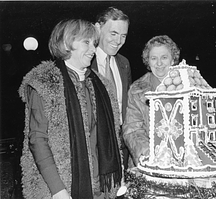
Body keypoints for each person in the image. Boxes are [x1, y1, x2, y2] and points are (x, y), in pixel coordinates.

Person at [18, 19, 123, 199]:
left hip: (100, 187)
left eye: (94, 43)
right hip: (61, 187)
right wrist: (58, 190)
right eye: (86, 42)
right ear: (67, 43)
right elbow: (37, 139)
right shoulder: (45, 83)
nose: (93, 49)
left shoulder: (101, 85)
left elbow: (111, 136)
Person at [122, 35, 180, 168]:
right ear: (148, 61)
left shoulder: (188, 85)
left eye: (164, 57)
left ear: (173, 59)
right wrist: (151, 156)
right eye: (154, 58)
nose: (159, 63)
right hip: (149, 164)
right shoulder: (137, 90)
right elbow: (132, 130)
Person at [91, 7, 132, 170]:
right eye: (113, 33)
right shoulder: (84, 62)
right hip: (95, 147)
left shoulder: (124, 64)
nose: (118, 41)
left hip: (121, 146)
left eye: (123, 36)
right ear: (98, 28)